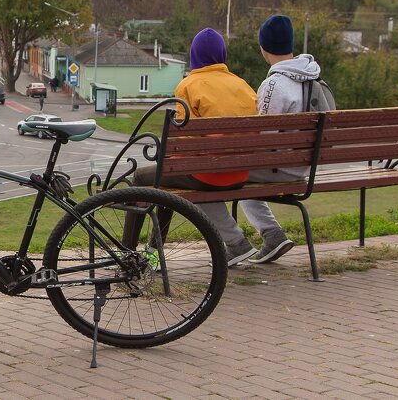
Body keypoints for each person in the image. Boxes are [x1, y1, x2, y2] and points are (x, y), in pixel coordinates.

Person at [133, 27, 261, 265]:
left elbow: (183, 142)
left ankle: (127, 251)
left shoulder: (188, 86)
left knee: (143, 177)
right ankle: (153, 251)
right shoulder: (243, 84)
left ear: (194, 56)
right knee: (167, 177)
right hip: (241, 172)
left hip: (208, 174)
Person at [237, 14, 323, 264]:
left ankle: (263, 235)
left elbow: (264, 139)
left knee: (232, 174)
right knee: (240, 172)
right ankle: (272, 234)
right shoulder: (312, 78)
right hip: (304, 166)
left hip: (281, 168)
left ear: (264, 48)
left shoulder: (274, 84)